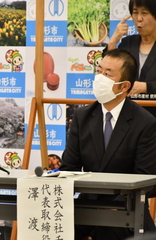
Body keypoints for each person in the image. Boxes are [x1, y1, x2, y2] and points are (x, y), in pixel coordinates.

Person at [60, 48, 156, 240]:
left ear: (124, 86)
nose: (99, 78)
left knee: (108, 232)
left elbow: (147, 180)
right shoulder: (83, 116)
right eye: (99, 70)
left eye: (107, 74)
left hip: (127, 209)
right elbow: (68, 168)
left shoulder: (145, 123)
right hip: (86, 207)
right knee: (55, 228)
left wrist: (113, 206)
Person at [105, 0, 156, 117]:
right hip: (128, 117)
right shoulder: (128, 43)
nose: (138, 18)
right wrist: (113, 40)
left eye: (144, 13)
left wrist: (146, 87)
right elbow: (107, 74)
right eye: (135, 13)